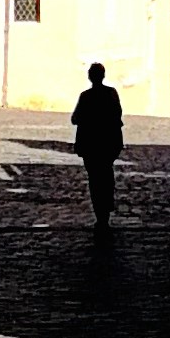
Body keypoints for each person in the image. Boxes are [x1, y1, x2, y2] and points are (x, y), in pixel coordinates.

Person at [70, 63, 124, 229]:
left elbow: (75, 118)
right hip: (108, 143)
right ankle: (106, 209)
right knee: (106, 175)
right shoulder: (111, 93)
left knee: (94, 179)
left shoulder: (86, 96)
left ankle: (100, 214)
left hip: (91, 144)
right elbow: (118, 113)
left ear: (90, 77)